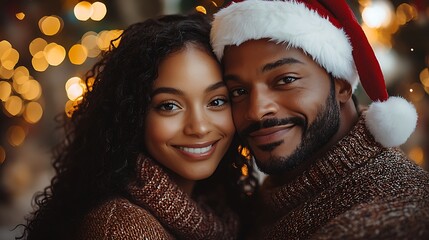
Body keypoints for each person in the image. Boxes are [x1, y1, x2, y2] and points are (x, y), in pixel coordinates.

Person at [18, 12, 256, 240]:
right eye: (169, 106)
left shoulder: (222, 206)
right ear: (132, 115)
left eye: (216, 101)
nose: (199, 127)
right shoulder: (122, 228)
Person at [210, 0, 429, 239]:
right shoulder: (262, 200)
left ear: (343, 85)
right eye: (238, 91)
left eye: (286, 80)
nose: (256, 111)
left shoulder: (388, 221)